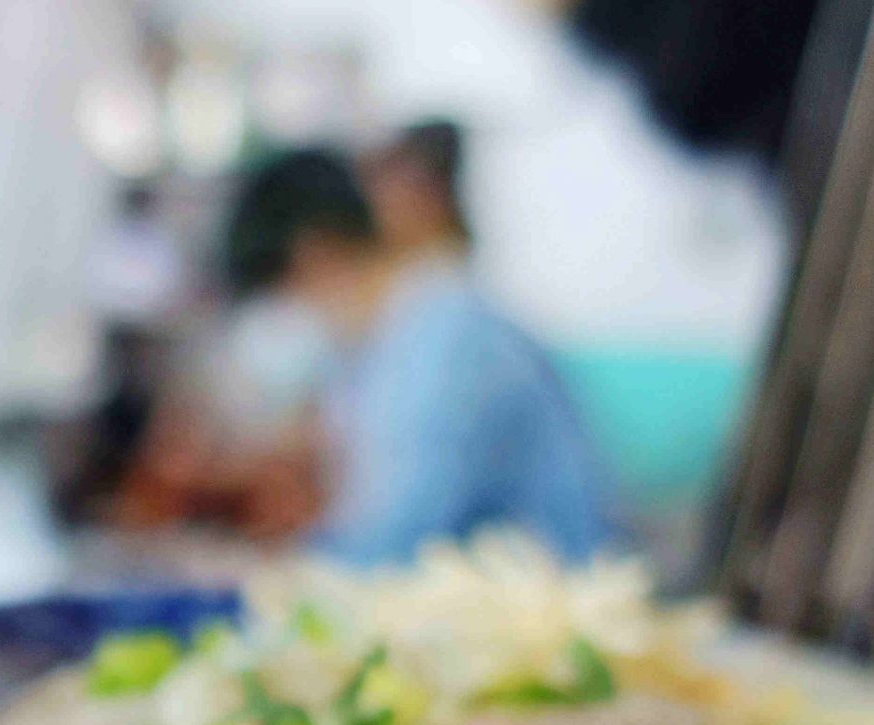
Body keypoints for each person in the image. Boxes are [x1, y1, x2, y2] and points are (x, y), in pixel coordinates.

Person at [221, 137, 615, 565]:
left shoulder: (444, 344)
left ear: (315, 255)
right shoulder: (377, 347)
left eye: (280, 296)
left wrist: (271, 572)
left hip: (552, 604)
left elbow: (401, 536)